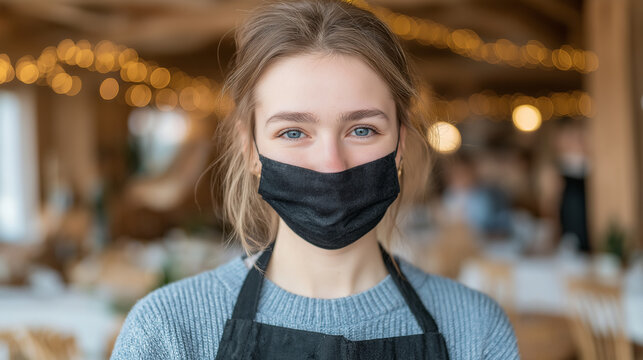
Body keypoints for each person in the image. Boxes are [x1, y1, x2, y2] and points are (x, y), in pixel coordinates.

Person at [110, 0, 519, 358]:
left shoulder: (475, 330)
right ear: (251, 149)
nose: (331, 163)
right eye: (293, 132)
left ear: (400, 145)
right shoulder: (168, 330)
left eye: (362, 129)